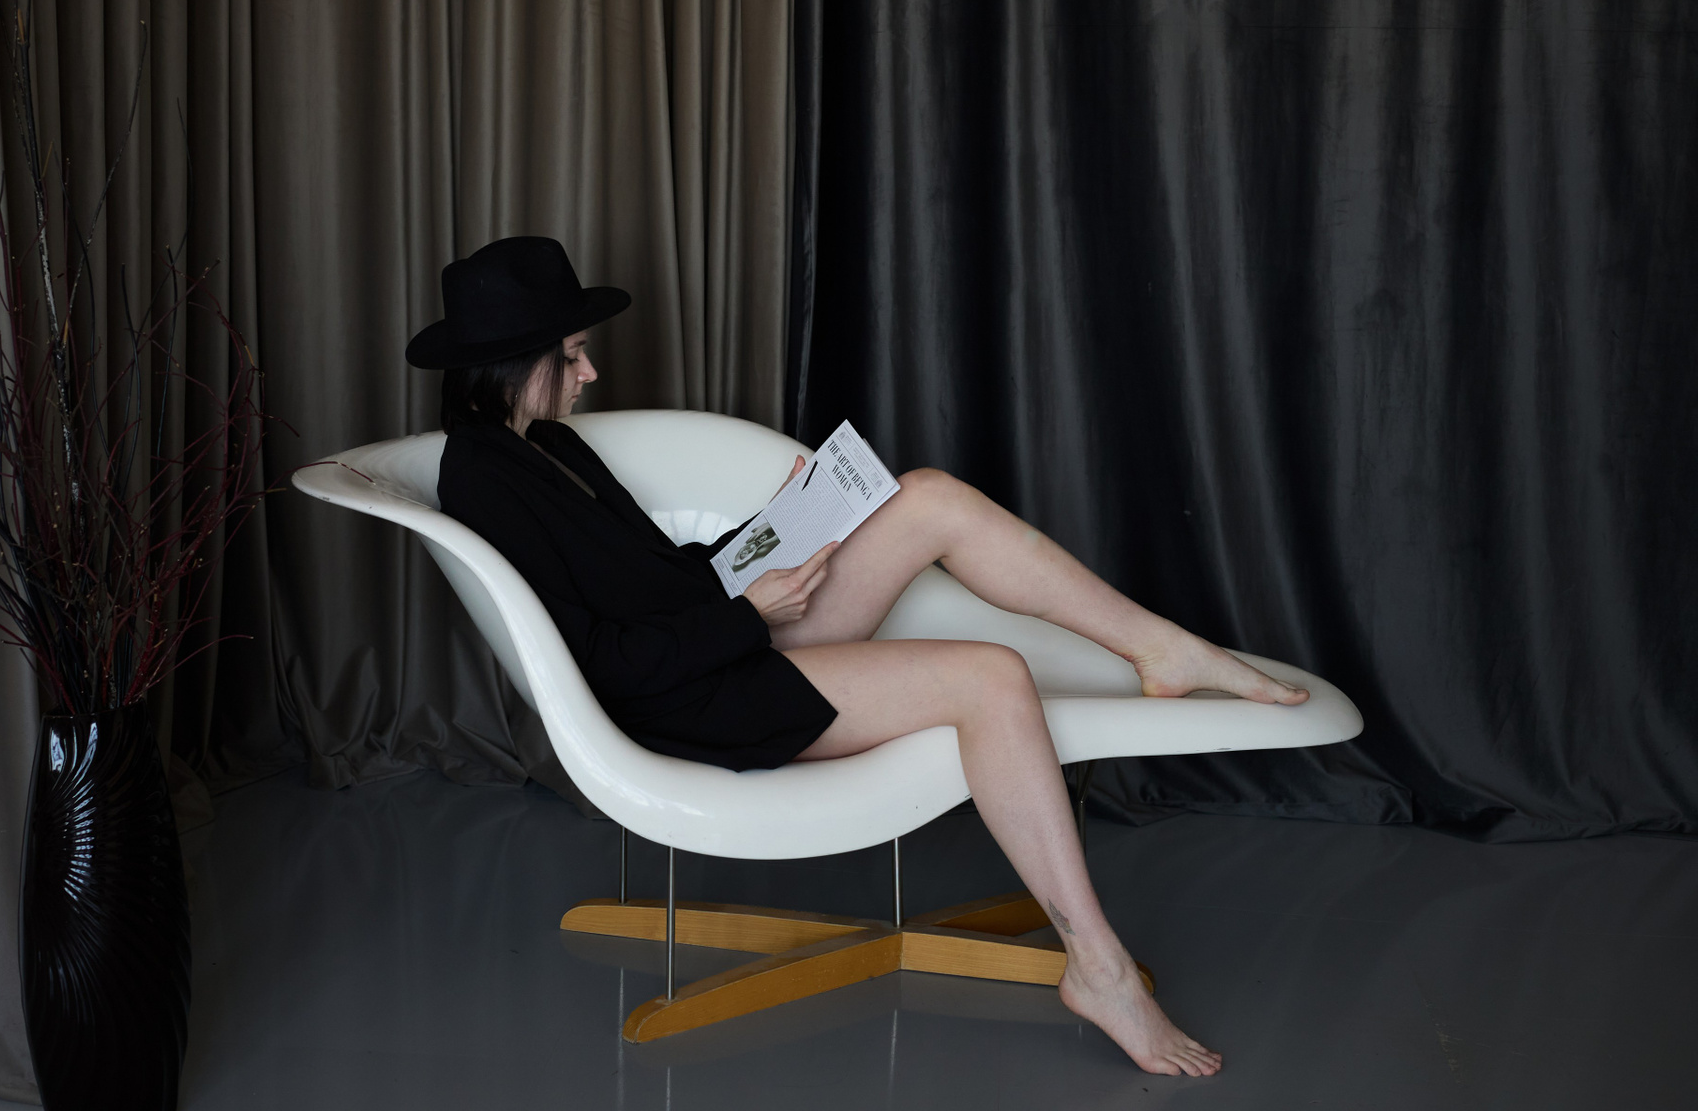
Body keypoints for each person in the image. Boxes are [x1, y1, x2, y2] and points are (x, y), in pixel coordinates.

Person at [416, 236, 1309, 1078]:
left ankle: (1165, 648)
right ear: (513, 362)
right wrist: (749, 613)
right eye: (572, 355)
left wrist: (773, 528)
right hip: (689, 696)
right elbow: (602, 662)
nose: (590, 373)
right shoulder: (483, 480)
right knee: (991, 677)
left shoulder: (550, 445)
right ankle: (1098, 968)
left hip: (715, 645)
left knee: (928, 497)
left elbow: (657, 576)